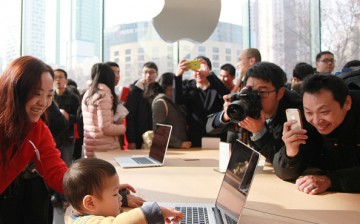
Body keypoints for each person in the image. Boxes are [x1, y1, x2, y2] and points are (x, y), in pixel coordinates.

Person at [0, 56, 68, 224]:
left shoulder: (37, 130)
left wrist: (100, 188)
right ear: (15, 90)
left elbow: (56, 172)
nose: (43, 103)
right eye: (37, 94)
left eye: (49, 95)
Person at [273, 74, 360, 195]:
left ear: (347, 102)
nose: (316, 120)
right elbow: (284, 173)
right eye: (308, 112)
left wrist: (331, 180)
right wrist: (291, 151)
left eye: (324, 112)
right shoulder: (309, 123)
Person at [207, 62, 302, 163]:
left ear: (280, 93)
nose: (255, 97)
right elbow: (210, 127)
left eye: (262, 92)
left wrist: (259, 132)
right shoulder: (246, 100)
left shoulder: (293, 113)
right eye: (251, 90)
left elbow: (282, 160)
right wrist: (227, 114)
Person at [63, 158, 183, 224]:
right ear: (90, 203)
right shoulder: (86, 222)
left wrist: (116, 198)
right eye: (115, 194)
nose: (120, 197)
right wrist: (154, 212)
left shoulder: (84, 211)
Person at [174, 56, 229, 147]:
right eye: (195, 70)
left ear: (209, 70)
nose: (198, 73)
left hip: (215, 134)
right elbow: (178, 100)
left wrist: (210, 76)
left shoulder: (216, 86)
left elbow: (226, 95)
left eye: (201, 69)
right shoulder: (188, 86)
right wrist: (178, 76)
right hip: (194, 135)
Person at [82, 63, 126, 158]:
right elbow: (106, 128)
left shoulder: (88, 93)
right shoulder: (103, 95)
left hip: (91, 146)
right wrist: (122, 128)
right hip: (105, 149)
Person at [144, 72, 192, 149]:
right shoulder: (160, 102)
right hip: (168, 150)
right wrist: (179, 144)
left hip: (181, 147)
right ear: (169, 86)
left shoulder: (176, 102)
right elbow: (159, 129)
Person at [125, 62, 159, 149]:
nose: (148, 75)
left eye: (151, 72)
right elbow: (130, 118)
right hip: (138, 138)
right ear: (141, 74)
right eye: (145, 72)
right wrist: (131, 140)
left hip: (156, 137)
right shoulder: (134, 93)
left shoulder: (160, 92)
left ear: (157, 74)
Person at [53, 68, 81, 166]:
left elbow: (80, 118)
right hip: (52, 138)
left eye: (60, 77)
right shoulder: (50, 97)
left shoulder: (73, 98)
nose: (57, 80)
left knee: (65, 165)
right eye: (55, 77)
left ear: (66, 80)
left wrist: (68, 117)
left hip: (67, 138)